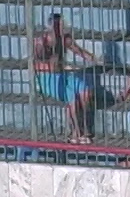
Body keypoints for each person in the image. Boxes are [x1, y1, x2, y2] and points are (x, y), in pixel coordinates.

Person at [34, 13, 101, 144]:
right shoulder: (42, 41)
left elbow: (80, 52)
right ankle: (76, 131)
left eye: (60, 24)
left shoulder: (65, 39)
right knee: (71, 95)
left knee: (84, 89)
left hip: (62, 74)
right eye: (55, 25)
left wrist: (95, 59)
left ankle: (85, 127)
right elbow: (39, 56)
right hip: (46, 77)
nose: (58, 27)